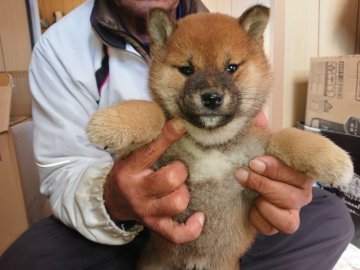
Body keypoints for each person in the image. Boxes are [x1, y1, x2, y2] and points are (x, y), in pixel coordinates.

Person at [0, 0, 354, 269]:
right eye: (186, 70)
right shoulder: (59, 48)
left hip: (231, 223)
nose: (213, 89)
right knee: (26, 260)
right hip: (128, 234)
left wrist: (282, 190)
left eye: (230, 69)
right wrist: (114, 201)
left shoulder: (218, 25)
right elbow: (62, 171)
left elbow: (264, 138)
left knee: (332, 219)